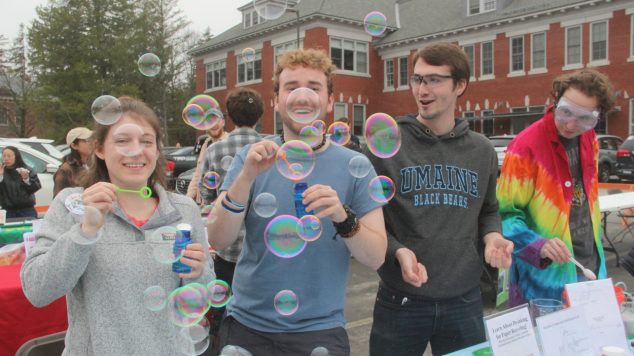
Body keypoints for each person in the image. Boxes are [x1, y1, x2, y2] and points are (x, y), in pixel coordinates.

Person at [208, 48, 387, 355]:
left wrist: (343, 218)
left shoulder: (356, 166)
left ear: (329, 101)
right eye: (291, 88)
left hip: (320, 331)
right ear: (276, 101)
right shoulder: (250, 159)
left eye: (314, 88)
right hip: (247, 326)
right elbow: (218, 238)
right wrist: (245, 178)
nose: (303, 97)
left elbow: (376, 257)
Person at [21, 97, 215, 355]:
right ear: (99, 149)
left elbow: (202, 296)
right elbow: (38, 290)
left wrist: (198, 273)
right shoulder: (72, 205)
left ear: (157, 150)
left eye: (147, 141)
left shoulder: (183, 210)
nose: (137, 151)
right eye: (122, 140)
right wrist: (84, 231)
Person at [366, 42, 514, 356]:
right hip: (400, 301)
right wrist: (397, 250)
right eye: (417, 79)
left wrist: (493, 236)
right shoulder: (387, 144)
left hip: (465, 300)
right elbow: (369, 217)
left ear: (460, 85)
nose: (423, 89)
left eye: (434, 79)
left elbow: (488, 209)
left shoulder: (481, 150)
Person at [497, 69, 615, 306]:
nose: (571, 124)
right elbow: (503, 215)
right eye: (565, 112)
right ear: (555, 101)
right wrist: (540, 245)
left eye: (584, 118)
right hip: (544, 282)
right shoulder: (525, 146)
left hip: (590, 267)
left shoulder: (589, 138)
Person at [198, 87, 264, 348]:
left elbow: (206, 194)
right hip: (263, 251)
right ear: (260, 114)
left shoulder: (216, 149)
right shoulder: (270, 147)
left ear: (230, 116)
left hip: (226, 250)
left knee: (223, 317)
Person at [187, 114, 229, 204]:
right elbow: (198, 173)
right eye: (210, 122)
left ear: (223, 122)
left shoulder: (229, 142)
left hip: (223, 204)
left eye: (216, 120)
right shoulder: (206, 143)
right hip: (204, 203)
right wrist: (188, 198)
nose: (213, 124)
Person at [0, 146, 42, 219]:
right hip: (8, 211)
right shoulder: (1, 171)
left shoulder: (26, 170)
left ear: (16, 157)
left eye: (9, 156)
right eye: (4, 156)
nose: (6, 158)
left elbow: (35, 187)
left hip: (26, 210)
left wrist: (26, 179)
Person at [53, 127, 93, 197]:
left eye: (91, 139)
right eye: (87, 140)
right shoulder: (65, 170)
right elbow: (58, 199)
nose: (91, 143)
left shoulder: (93, 165)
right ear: (74, 146)